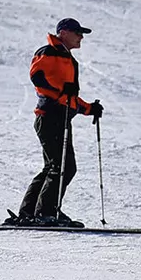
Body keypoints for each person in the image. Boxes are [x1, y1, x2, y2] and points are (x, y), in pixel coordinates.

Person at [9, 18, 102, 227]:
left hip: (59, 117)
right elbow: (37, 76)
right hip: (50, 116)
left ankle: (30, 213)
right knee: (63, 167)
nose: (81, 37)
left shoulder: (67, 58)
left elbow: (68, 97)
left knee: (54, 166)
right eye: (78, 32)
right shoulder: (49, 52)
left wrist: (90, 109)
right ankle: (46, 213)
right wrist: (60, 91)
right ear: (64, 32)